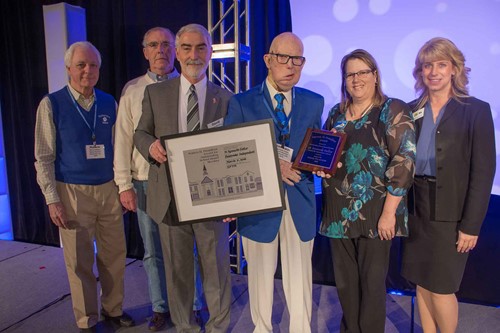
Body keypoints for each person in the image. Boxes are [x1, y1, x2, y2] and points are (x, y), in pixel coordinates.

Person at [134, 23, 232, 333]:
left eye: (200, 47)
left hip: (211, 201)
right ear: (177, 53)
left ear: (210, 52)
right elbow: (140, 133)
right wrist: (149, 146)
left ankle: (218, 328)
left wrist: (233, 199)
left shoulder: (226, 98)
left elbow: (234, 151)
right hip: (170, 200)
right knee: (177, 273)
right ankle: (186, 328)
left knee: (216, 271)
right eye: (187, 48)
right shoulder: (155, 93)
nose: (194, 54)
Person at [224, 32, 324, 333]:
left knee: (299, 276)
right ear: (268, 60)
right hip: (257, 203)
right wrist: (272, 166)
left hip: (300, 198)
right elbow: (232, 155)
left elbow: (317, 147)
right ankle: (262, 329)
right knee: (259, 275)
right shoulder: (241, 103)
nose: (290, 66)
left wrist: (322, 165)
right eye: (283, 57)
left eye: (298, 59)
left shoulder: (313, 102)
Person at [34, 41, 134, 333]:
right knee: (79, 262)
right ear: (68, 69)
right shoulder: (51, 104)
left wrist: (122, 186)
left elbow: (119, 148)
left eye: (93, 65)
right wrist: (52, 199)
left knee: (114, 255)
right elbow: (43, 157)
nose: (88, 70)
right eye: (81, 65)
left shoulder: (108, 102)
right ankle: (87, 319)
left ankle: (113, 310)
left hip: (108, 189)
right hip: (71, 191)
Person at [317, 49, 416, 333]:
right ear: (344, 79)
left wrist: (389, 214)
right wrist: (322, 166)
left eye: (363, 72)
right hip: (337, 213)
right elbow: (327, 155)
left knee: (372, 287)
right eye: (350, 74)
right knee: (346, 286)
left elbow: (404, 162)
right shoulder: (336, 113)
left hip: (376, 212)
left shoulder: (392, 109)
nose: (356, 79)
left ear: (375, 76)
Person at [401, 37, 496, 333]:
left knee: (441, 287)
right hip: (417, 209)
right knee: (422, 282)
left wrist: (471, 225)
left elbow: (483, 172)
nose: (434, 72)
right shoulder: (409, 109)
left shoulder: (475, 110)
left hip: (452, 213)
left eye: (441, 64)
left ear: (455, 69)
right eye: (427, 65)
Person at [113, 27, 203, 331]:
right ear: (144, 51)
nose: (160, 50)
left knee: (188, 249)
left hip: (183, 182)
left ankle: (194, 304)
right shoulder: (132, 90)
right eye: (153, 44)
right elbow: (124, 139)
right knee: (152, 250)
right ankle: (160, 307)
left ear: (175, 50)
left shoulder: (190, 84)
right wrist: (124, 184)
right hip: (144, 181)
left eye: (166, 44)